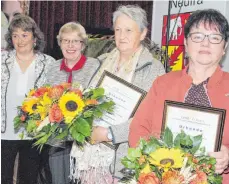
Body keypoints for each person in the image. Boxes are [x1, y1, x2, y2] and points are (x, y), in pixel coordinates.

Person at [129, 9, 229, 183]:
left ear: (224, 47)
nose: (205, 43)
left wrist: (228, 155)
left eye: (214, 37)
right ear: (186, 42)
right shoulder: (163, 83)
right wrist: (155, 163)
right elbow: (138, 130)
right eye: (198, 36)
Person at [69, 5, 165, 183]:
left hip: (124, 161)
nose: (122, 36)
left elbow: (150, 118)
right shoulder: (101, 62)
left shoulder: (154, 69)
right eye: (118, 30)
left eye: (129, 30)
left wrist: (109, 134)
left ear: (143, 34)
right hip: (90, 158)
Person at [1, 14, 55, 184]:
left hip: (33, 133)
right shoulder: (2, 60)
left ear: (35, 38)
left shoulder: (48, 63)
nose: (19, 40)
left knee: (29, 178)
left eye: (24, 35)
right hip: (4, 131)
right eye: (15, 35)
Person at [47, 22, 101, 184]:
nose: (70, 45)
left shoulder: (94, 66)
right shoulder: (52, 68)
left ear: (83, 45)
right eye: (65, 41)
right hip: (57, 141)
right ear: (60, 43)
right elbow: (44, 101)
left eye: (75, 41)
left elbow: (98, 100)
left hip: (85, 142)